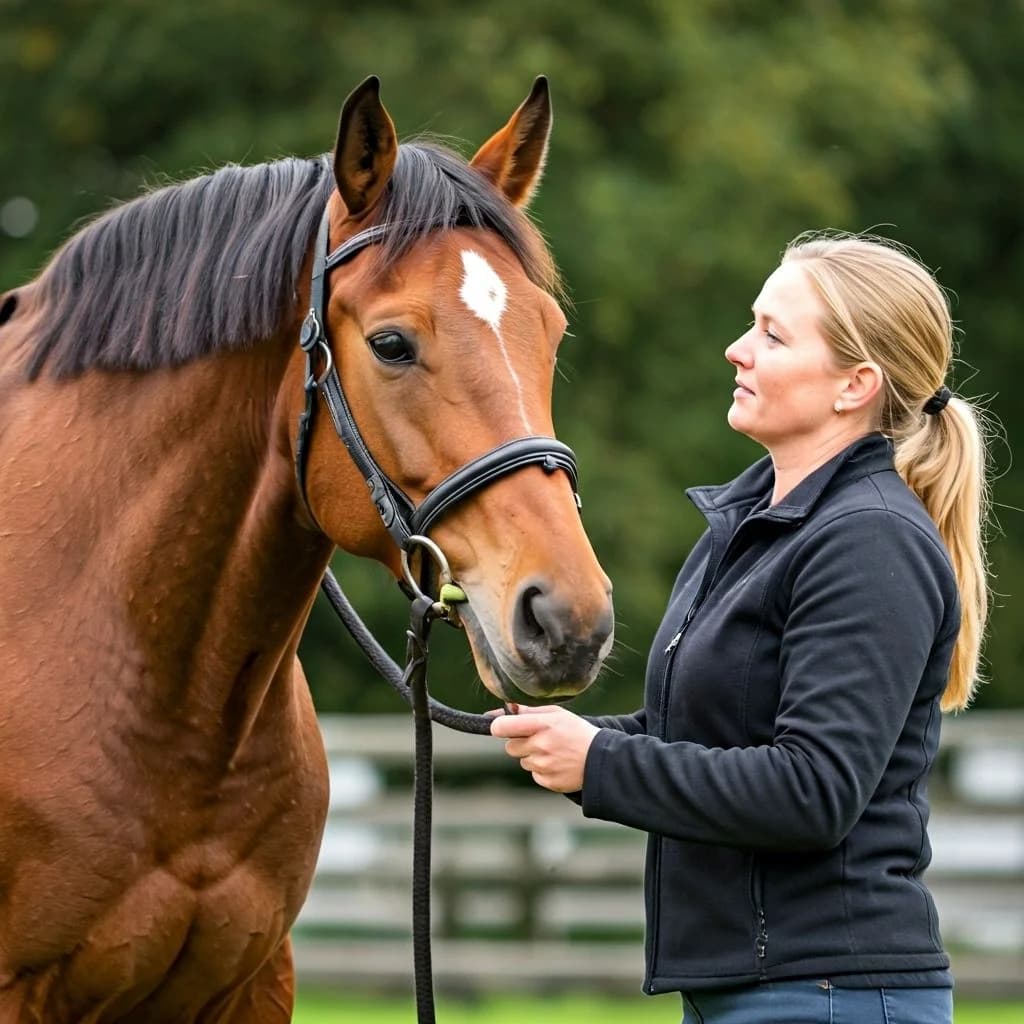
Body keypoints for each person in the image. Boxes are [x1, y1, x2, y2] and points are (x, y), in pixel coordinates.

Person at [490, 231, 993, 1024]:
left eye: (773, 335)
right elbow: (706, 732)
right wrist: (570, 741)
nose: (737, 349)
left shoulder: (869, 539)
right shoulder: (754, 523)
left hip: (830, 995)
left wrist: (601, 762)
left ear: (855, 385)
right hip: (756, 991)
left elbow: (812, 790)